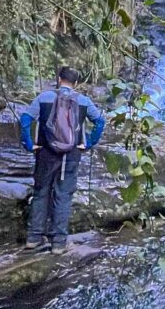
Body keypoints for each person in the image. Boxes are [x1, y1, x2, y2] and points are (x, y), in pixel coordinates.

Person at [19, 66, 106, 252]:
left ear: (59, 79)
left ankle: (34, 238)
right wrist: (89, 143)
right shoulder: (83, 101)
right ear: (75, 83)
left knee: (41, 193)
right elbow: (100, 121)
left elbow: (25, 119)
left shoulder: (44, 97)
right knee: (63, 196)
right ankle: (59, 243)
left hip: (45, 154)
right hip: (71, 156)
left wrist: (28, 144)